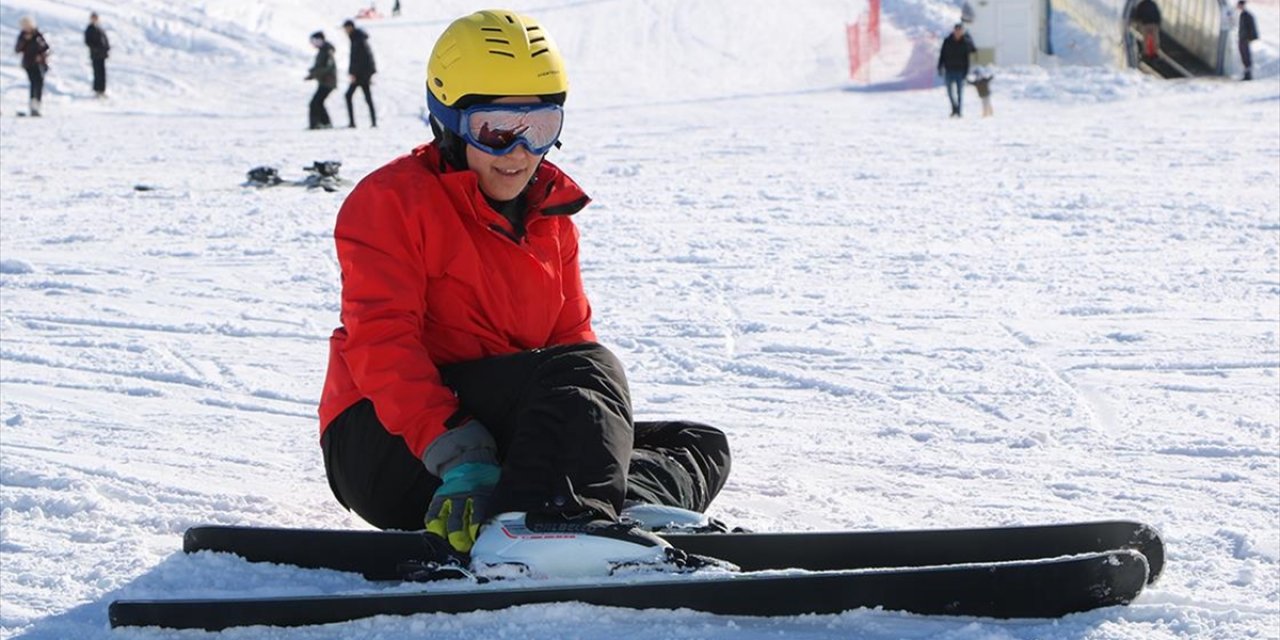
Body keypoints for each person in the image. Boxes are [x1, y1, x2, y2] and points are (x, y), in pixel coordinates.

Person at [318, 9, 731, 578]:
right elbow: (380, 342)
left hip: (497, 443)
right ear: (447, 120)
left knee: (697, 443)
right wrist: (459, 454)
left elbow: (569, 346)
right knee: (587, 372)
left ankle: (612, 510)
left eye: (539, 126)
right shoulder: (392, 201)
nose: (519, 151)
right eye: (495, 129)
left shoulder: (551, 215)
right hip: (391, 445)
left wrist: (593, 443)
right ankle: (553, 523)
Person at [342, 19, 376, 128]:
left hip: (362, 75)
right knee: (365, 97)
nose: (345, 31)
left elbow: (362, 58)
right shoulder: (356, 38)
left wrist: (356, 73)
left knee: (352, 96)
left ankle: (369, 122)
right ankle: (371, 122)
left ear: (350, 27)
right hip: (360, 74)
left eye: (346, 28)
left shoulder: (358, 39)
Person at [14, 16, 50, 117]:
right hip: (28, 63)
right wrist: (24, 41)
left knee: (39, 81)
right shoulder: (22, 36)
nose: (27, 28)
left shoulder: (38, 35)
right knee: (34, 81)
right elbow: (17, 49)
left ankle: (37, 104)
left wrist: (41, 55)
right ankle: (33, 105)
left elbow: (46, 48)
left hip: (39, 63)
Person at [937, 23, 976, 118]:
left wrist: (966, 72)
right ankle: (954, 107)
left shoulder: (965, 42)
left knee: (960, 92)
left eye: (960, 31)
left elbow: (972, 51)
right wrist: (940, 66)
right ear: (954, 31)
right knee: (950, 92)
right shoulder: (947, 41)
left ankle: (958, 111)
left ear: (962, 32)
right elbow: (942, 54)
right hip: (949, 70)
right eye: (956, 30)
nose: (958, 32)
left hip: (960, 71)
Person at [305, 31, 337, 129]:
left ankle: (315, 124)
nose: (313, 44)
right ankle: (325, 123)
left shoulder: (327, 50)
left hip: (328, 81)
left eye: (314, 41)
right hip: (324, 81)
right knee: (319, 102)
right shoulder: (323, 50)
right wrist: (312, 74)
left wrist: (314, 73)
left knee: (314, 103)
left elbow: (327, 67)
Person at [84, 12, 109, 98]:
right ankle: (97, 90)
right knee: (97, 72)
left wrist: (106, 49)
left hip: (102, 55)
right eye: (93, 18)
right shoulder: (90, 29)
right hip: (95, 54)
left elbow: (105, 40)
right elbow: (88, 41)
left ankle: (102, 90)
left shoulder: (99, 28)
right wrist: (95, 49)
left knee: (102, 73)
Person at [1237, 0, 1258, 81]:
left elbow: (1252, 27)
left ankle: (1248, 75)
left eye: (1239, 5)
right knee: (1243, 56)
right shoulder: (1242, 15)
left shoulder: (1247, 15)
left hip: (1244, 39)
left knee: (1246, 56)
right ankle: (1246, 74)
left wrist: (1251, 37)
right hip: (1242, 38)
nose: (1238, 7)